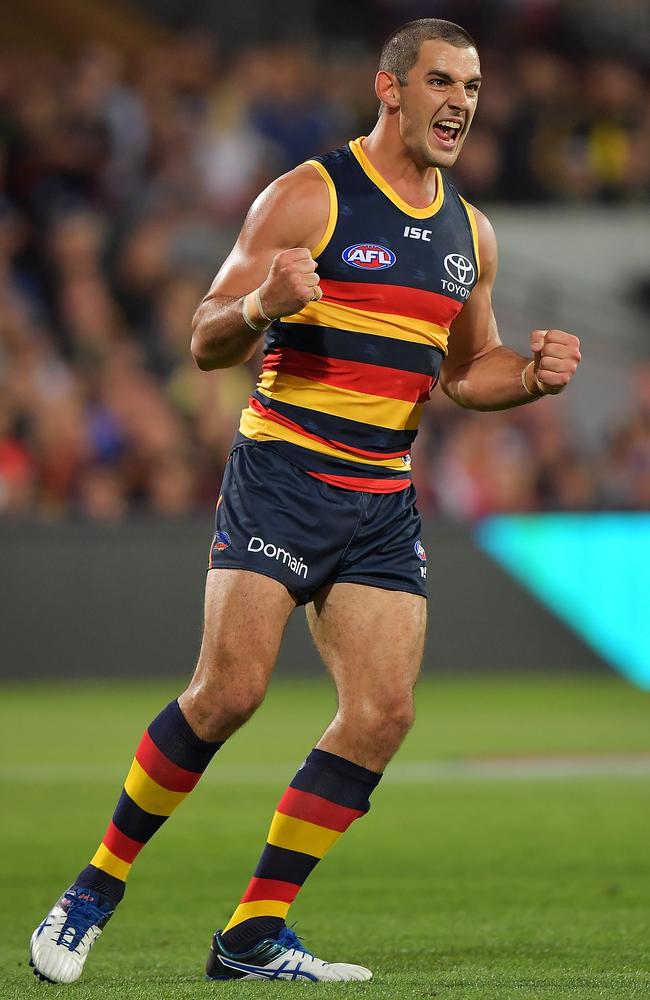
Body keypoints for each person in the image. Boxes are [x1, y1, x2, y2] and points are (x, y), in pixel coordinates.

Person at [30, 18, 581, 985]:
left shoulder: (469, 232)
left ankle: (251, 932)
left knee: (382, 712)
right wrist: (260, 308)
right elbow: (206, 337)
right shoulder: (308, 197)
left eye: (474, 85)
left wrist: (527, 376)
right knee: (229, 692)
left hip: (382, 495)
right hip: (285, 475)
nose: (461, 101)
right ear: (391, 89)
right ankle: (92, 891)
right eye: (442, 81)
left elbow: (467, 370)